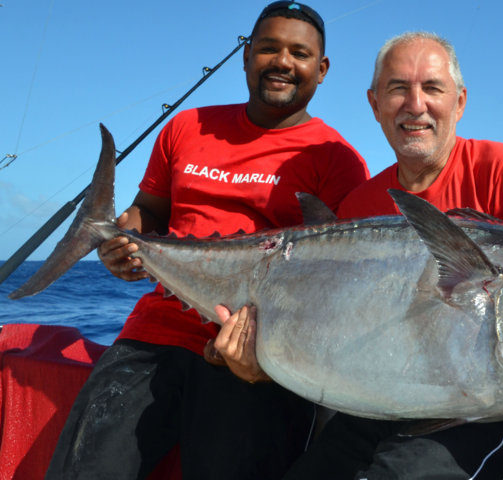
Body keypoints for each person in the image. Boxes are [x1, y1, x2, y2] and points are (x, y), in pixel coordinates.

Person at [212, 31, 503, 479]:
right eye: (398, 88)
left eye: (432, 88)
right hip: (384, 401)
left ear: (459, 101)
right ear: (374, 104)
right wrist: (258, 359)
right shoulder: (360, 204)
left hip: (485, 408)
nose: (415, 105)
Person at [45, 3, 369, 479]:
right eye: (268, 48)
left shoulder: (338, 160)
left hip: (258, 354)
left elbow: (336, 283)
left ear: (321, 70)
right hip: (155, 333)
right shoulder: (186, 127)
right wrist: (123, 237)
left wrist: (263, 356)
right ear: (245, 56)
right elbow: (150, 210)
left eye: (299, 53)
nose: (282, 61)